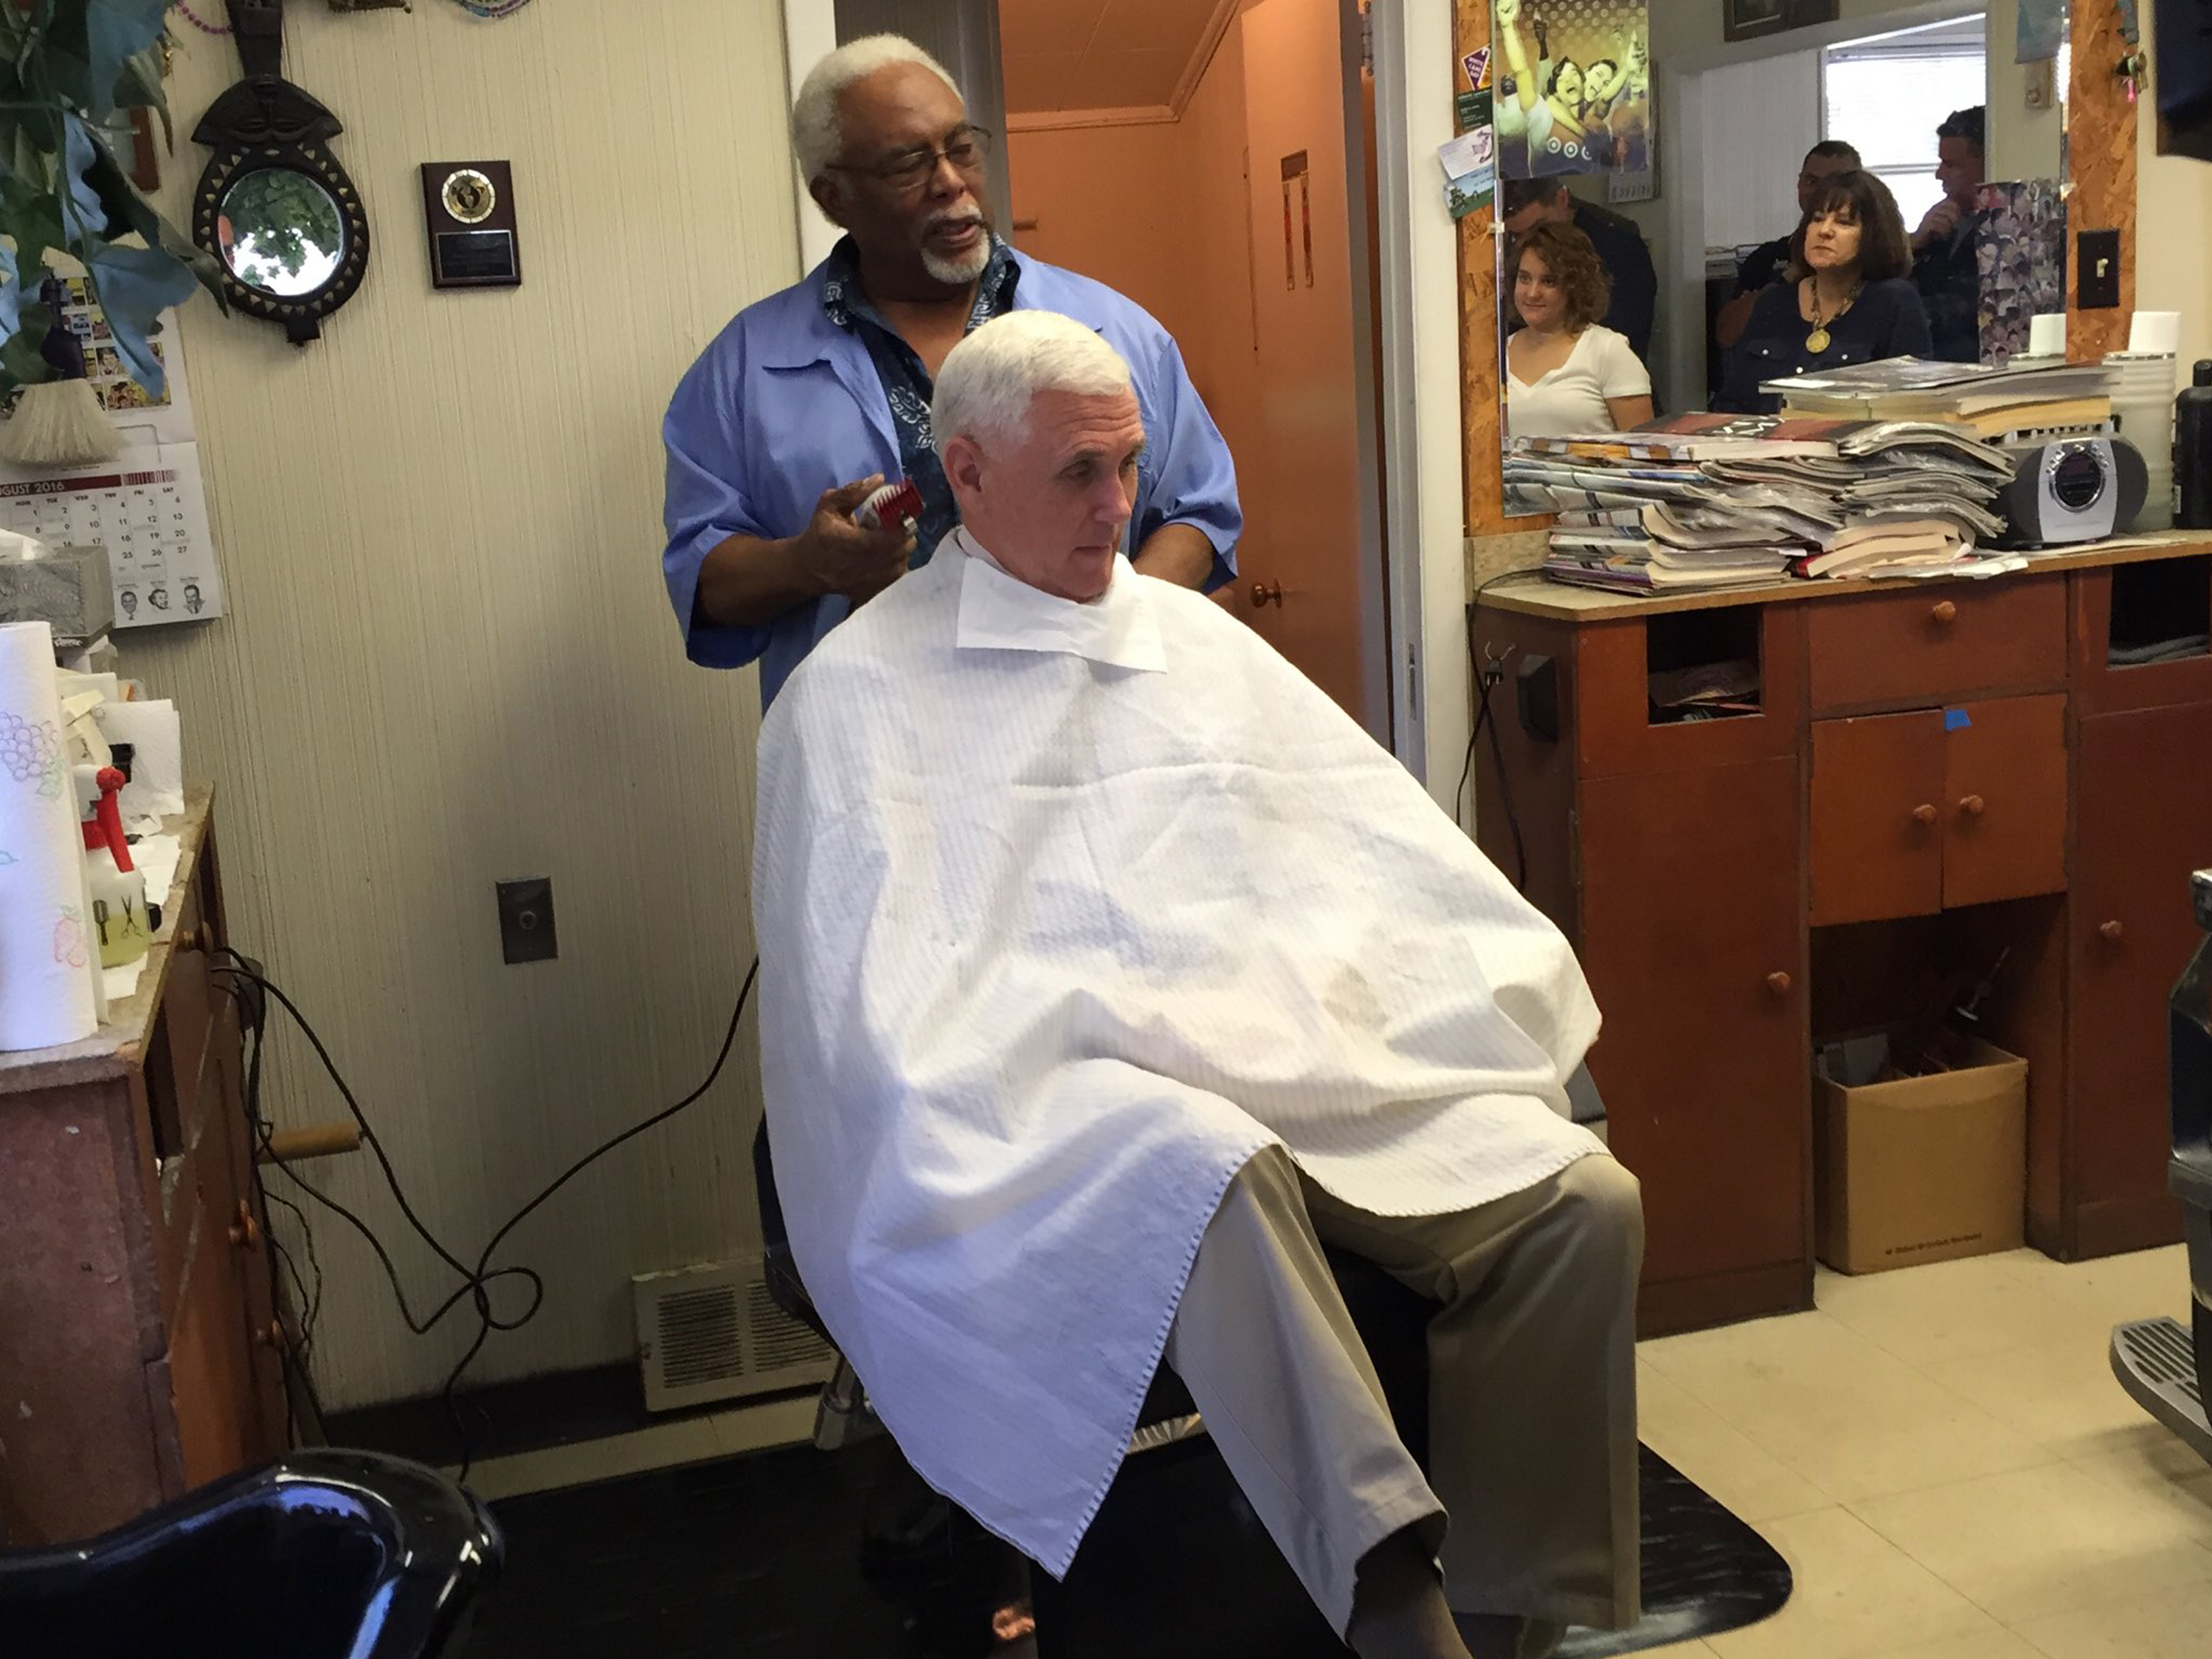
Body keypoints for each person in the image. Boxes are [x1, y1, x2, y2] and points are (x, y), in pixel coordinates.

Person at [754, 308, 1644, 1659]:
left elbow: (1354, 868)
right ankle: (1392, 1599)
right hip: (1052, 1108)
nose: (1119, 506)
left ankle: (1508, 1613)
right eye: (1076, 473)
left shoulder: (1189, 640)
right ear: (968, 474)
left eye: (1128, 464)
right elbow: (877, 1010)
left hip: (1290, 1062)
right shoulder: (852, 693)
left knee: (1580, 1202)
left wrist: (1312, 1008)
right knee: (1194, 1160)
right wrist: (1110, 1037)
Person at [660, 34, 1240, 710]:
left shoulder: (1117, 332)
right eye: (909, 164)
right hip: (880, 749)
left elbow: (1200, 513)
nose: (951, 182)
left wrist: (1116, 626)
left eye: (961, 147)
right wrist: (808, 563)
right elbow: (704, 580)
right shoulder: (745, 369)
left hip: (1099, 733)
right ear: (835, 196)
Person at [1715, 168, 1932, 413]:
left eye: (1843, 222)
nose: (1824, 231)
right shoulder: (1775, 302)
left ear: (1873, 235)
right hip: (1761, 446)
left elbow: (1911, 408)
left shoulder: (1893, 300)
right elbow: (1732, 402)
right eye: (1817, 218)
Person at [1505, 222, 1653, 438]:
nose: (1532, 293)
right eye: (1525, 278)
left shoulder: (1608, 350)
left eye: (1548, 281)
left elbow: (1646, 454)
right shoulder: (1497, 354)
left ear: (1575, 286)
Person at [1714, 139, 1863, 352]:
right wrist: (1787, 279)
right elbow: (1727, 335)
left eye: (1834, 182)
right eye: (1811, 181)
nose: (1821, 192)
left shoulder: (1873, 263)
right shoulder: (1769, 257)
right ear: (1800, 184)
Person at [1501, 179, 1656, 363]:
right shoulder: (1510, 250)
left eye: (1538, 227)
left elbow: (1625, 327)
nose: (1525, 242)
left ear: (1561, 199)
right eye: (1514, 235)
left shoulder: (1619, 247)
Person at [1494, 0, 1611, 176]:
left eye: (1573, 74)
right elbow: (1522, 71)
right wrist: (1507, 25)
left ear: (1583, 81)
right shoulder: (1541, 114)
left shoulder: (1599, 127)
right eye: (1561, 78)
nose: (1568, 80)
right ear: (1554, 89)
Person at [1909, 105, 1988, 363]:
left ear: (1987, 164)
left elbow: (1969, 307)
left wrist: (1892, 312)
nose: (1939, 175)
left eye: (1951, 165)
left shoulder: (2006, 231)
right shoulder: (1941, 225)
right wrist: (1914, 244)